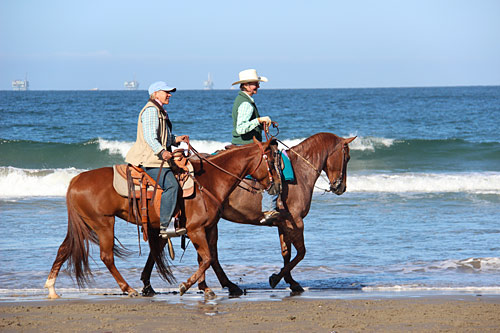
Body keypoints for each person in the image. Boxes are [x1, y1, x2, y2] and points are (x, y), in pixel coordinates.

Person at [125, 81, 189, 238]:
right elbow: (150, 137)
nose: (169, 94)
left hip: (156, 158)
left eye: (170, 91)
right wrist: (162, 152)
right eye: (166, 91)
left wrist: (176, 139)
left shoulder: (159, 111)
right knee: (172, 186)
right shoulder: (151, 111)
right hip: (149, 160)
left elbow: (163, 137)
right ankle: (164, 226)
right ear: (155, 94)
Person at [231, 69, 280, 224]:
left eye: (257, 83)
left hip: (245, 144)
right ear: (245, 85)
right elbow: (241, 128)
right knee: (271, 170)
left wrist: (260, 122)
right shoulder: (246, 103)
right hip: (246, 146)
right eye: (254, 84)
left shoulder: (244, 100)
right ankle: (268, 208)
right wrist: (258, 121)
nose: (257, 86)